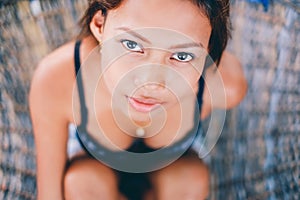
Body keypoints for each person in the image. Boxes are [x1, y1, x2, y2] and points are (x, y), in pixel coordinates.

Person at [29, 0, 247, 199]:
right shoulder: (58, 80)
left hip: (177, 174)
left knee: (190, 177)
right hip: (91, 176)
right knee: (82, 181)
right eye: (131, 45)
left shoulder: (225, 86)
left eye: (182, 56)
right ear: (100, 25)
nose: (150, 82)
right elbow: (50, 193)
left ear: (208, 51)